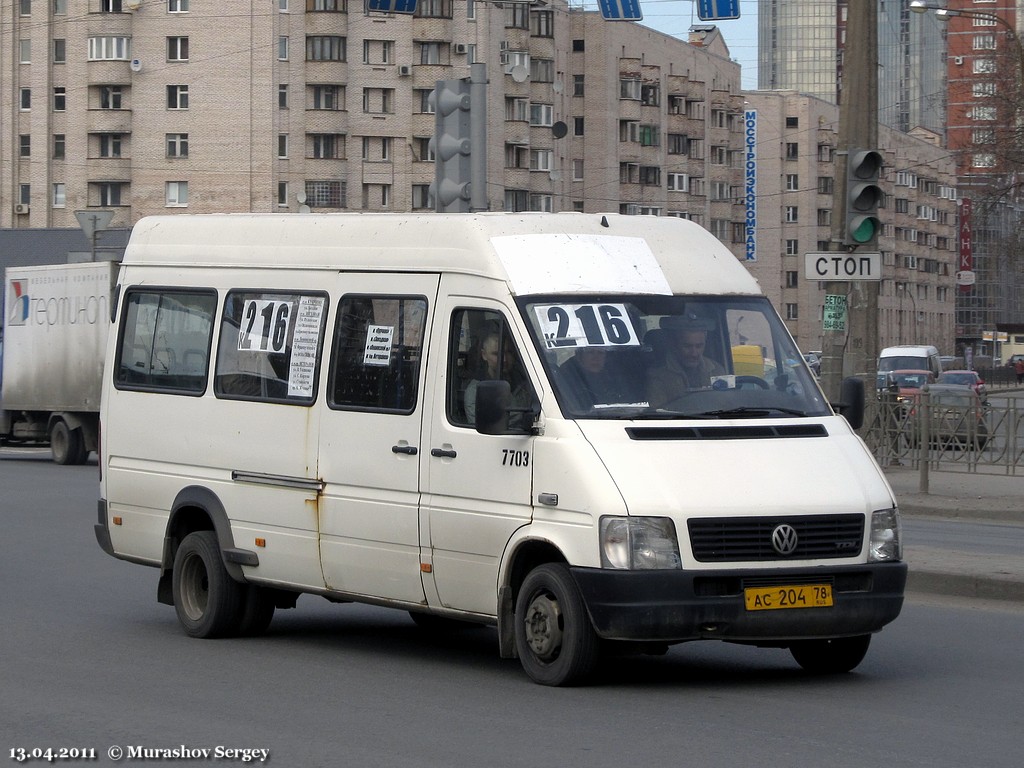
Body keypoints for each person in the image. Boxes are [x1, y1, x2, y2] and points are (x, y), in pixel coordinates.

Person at [646, 314, 726, 408]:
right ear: (674, 345)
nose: (694, 353)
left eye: (699, 346)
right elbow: (657, 415)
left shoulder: (717, 370)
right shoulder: (658, 376)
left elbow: (725, 405)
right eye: (687, 346)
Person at [464, 331, 533, 426]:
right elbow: (484, 428)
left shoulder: (525, 380)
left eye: (508, 352)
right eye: (496, 354)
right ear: (484, 355)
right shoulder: (476, 391)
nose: (504, 359)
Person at [557, 346, 639, 411]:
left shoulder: (615, 377)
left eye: (600, 353)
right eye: (590, 352)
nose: (596, 358)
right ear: (579, 356)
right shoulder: (567, 378)